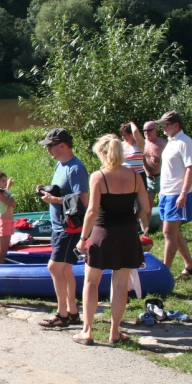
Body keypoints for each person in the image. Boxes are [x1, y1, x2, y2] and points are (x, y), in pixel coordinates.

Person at [74, 135, 149, 345]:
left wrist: (83, 238)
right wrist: (131, 219)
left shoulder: (99, 176)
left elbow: (92, 211)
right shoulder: (135, 176)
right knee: (120, 284)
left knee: (91, 282)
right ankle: (114, 331)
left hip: (102, 233)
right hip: (127, 233)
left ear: (103, 153)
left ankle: (87, 331)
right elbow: (146, 209)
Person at [37, 128, 89, 328]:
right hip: (58, 227)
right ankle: (73, 313)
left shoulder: (76, 168)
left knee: (54, 267)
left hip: (69, 229)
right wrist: (46, 190)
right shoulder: (60, 165)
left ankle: (62, 314)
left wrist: (54, 199)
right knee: (66, 270)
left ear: (62, 145)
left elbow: (83, 201)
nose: (48, 149)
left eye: (50, 146)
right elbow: (65, 193)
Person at [154, 111, 192, 276]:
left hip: (178, 194)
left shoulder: (185, 142)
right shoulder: (171, 142)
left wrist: (183, 193)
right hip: (166, 193)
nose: (163, 128)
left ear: (176, 125)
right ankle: (191, 266)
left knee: (168, 232)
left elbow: (191, 168)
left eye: (166, 125)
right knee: (172, 231)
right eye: (162, 125)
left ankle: (164, 272)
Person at [142, 121, 167, 229]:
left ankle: (163, 229)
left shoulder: (163, 143)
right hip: (148, 179)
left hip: (161, 177)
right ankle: (146, 230)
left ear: (156, 130)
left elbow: (171, 162)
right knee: (147, 206)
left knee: (164, 204)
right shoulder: (142, 143)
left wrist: (159, 160)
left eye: (149, 130)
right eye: (144, 130)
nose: (147, 132)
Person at [0, 170, 16, 263]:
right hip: (4, 224)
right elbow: (13, 203)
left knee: (2, 251)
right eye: (3, 181)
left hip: (7, 223)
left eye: (5, 180)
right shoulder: (0, 194)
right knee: (2, 252)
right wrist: (8, 189)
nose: (5, 182)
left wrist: (7, 188)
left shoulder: (3, 192)